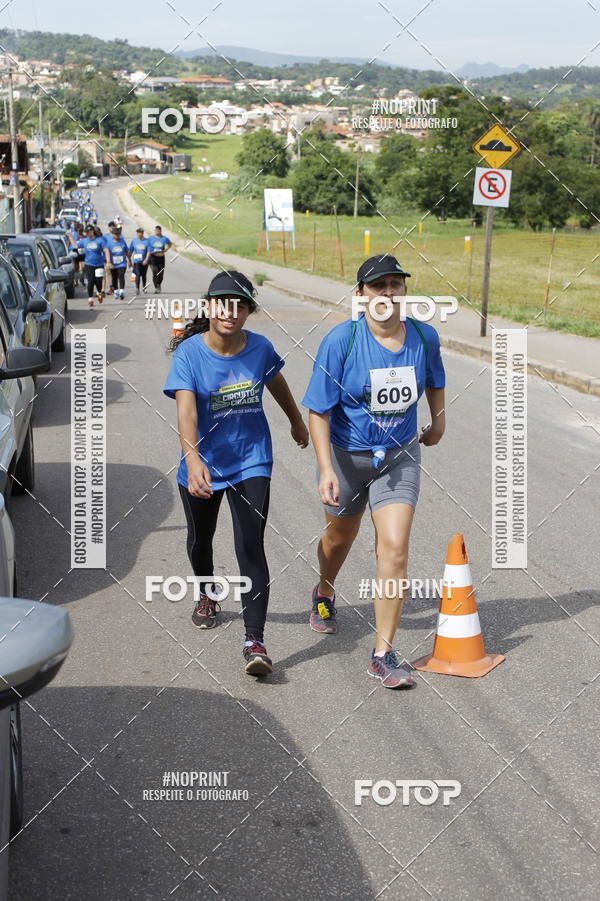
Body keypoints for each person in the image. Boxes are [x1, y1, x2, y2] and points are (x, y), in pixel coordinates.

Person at [302, 254, 446, 689]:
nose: (387, 293)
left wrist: (439, 420)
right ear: (360, 295)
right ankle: (324, 589)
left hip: (399, 456)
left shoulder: (424, 336)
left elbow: (435, 379)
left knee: (395, 548)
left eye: (395, 285)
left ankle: (383, 653)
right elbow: (318, 410)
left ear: (404, 292)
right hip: (348, 457)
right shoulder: (341, 341)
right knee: (338, 538)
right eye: (377, 286)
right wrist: (325, 466)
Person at [164, 270, 309, 676]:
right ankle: (207, 593)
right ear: (209, 307)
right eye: (223, 303)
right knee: (200, 541)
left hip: (252, 460)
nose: (231, 312)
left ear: (248, 311)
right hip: (204, 463)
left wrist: (296, 422)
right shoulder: (190, 353)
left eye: (240, 305)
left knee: (250, 544)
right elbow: (187, 410)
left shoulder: (259, 348)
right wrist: (193, 460)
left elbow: (275, 381)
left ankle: (255, 639)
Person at [77, 224, 106, 306]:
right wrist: (70, 236)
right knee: (90, 281)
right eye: (87, 232)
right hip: (89, 264)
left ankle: (99, 292)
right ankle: (90, 299)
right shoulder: (84, 241)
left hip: (99, 264)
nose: (88, 233)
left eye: (90, 231)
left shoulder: (100, 240)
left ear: (93, 231)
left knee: (99, 281)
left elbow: (106, 250)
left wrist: (108, 261)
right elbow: (76, 246)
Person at [104, 227, 130, 299]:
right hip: (113, 263)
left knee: (121, 275)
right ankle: (116, 291)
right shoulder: (109, 243)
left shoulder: (122, 241)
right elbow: (107, 252)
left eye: (118, 234)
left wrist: (130, 261)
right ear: (112, 234)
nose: (116, 235)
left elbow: (127, 252)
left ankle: (121, 291)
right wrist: (108, 262)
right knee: (114, 277)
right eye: (115, 234)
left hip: (122, 263)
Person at [148, 225, 172, 293]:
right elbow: (147, 246)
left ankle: (159, 284)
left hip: (161, 257)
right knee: (155, 271)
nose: (157, 232)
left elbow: (170, 244)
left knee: (161, 273)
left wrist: (166, 249)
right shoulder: (151, 238)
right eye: (156, 230)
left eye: (158, 230)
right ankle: (156, 288)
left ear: (161, 231)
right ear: (154, 231)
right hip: (153, 256)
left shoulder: (164, 238)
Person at [129, 227, 150, 293]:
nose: (139, 234)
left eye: (140, 233)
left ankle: (144, 287)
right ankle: (137, 288)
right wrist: (129, 261)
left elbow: (149, 251)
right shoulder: (134, 241)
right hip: (136, 261)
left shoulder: (147, 241)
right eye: (138, 233)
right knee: (137, 274)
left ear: (142, 233)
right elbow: (130, 251)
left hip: (144, 261)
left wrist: (146, 259)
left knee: (144, 275)